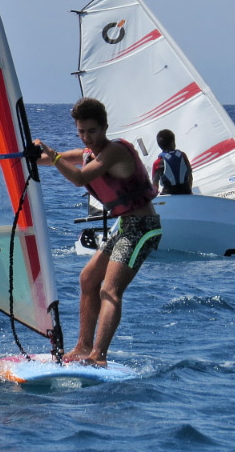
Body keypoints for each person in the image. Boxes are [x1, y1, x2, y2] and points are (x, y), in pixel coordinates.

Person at [35, 97, 161, 367]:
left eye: (92, 131)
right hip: (125, 227)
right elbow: (50, 159)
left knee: (110, 290)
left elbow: (80, 178)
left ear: (104, 127)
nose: (86, 137)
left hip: (143, 228)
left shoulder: (114, 151)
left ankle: (98, 356)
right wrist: (13, 150)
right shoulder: (89, 153)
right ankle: (83, 347)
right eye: (81, 131)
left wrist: (53, 154)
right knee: (87, 280)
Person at [151, 129, 193, 195]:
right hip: (186, 190)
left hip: (168, 192)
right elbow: (190, 175)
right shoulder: (183, 155)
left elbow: (155, 183)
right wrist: (190, 191)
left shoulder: (158, 162)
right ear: (173, 142)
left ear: (159, 145)